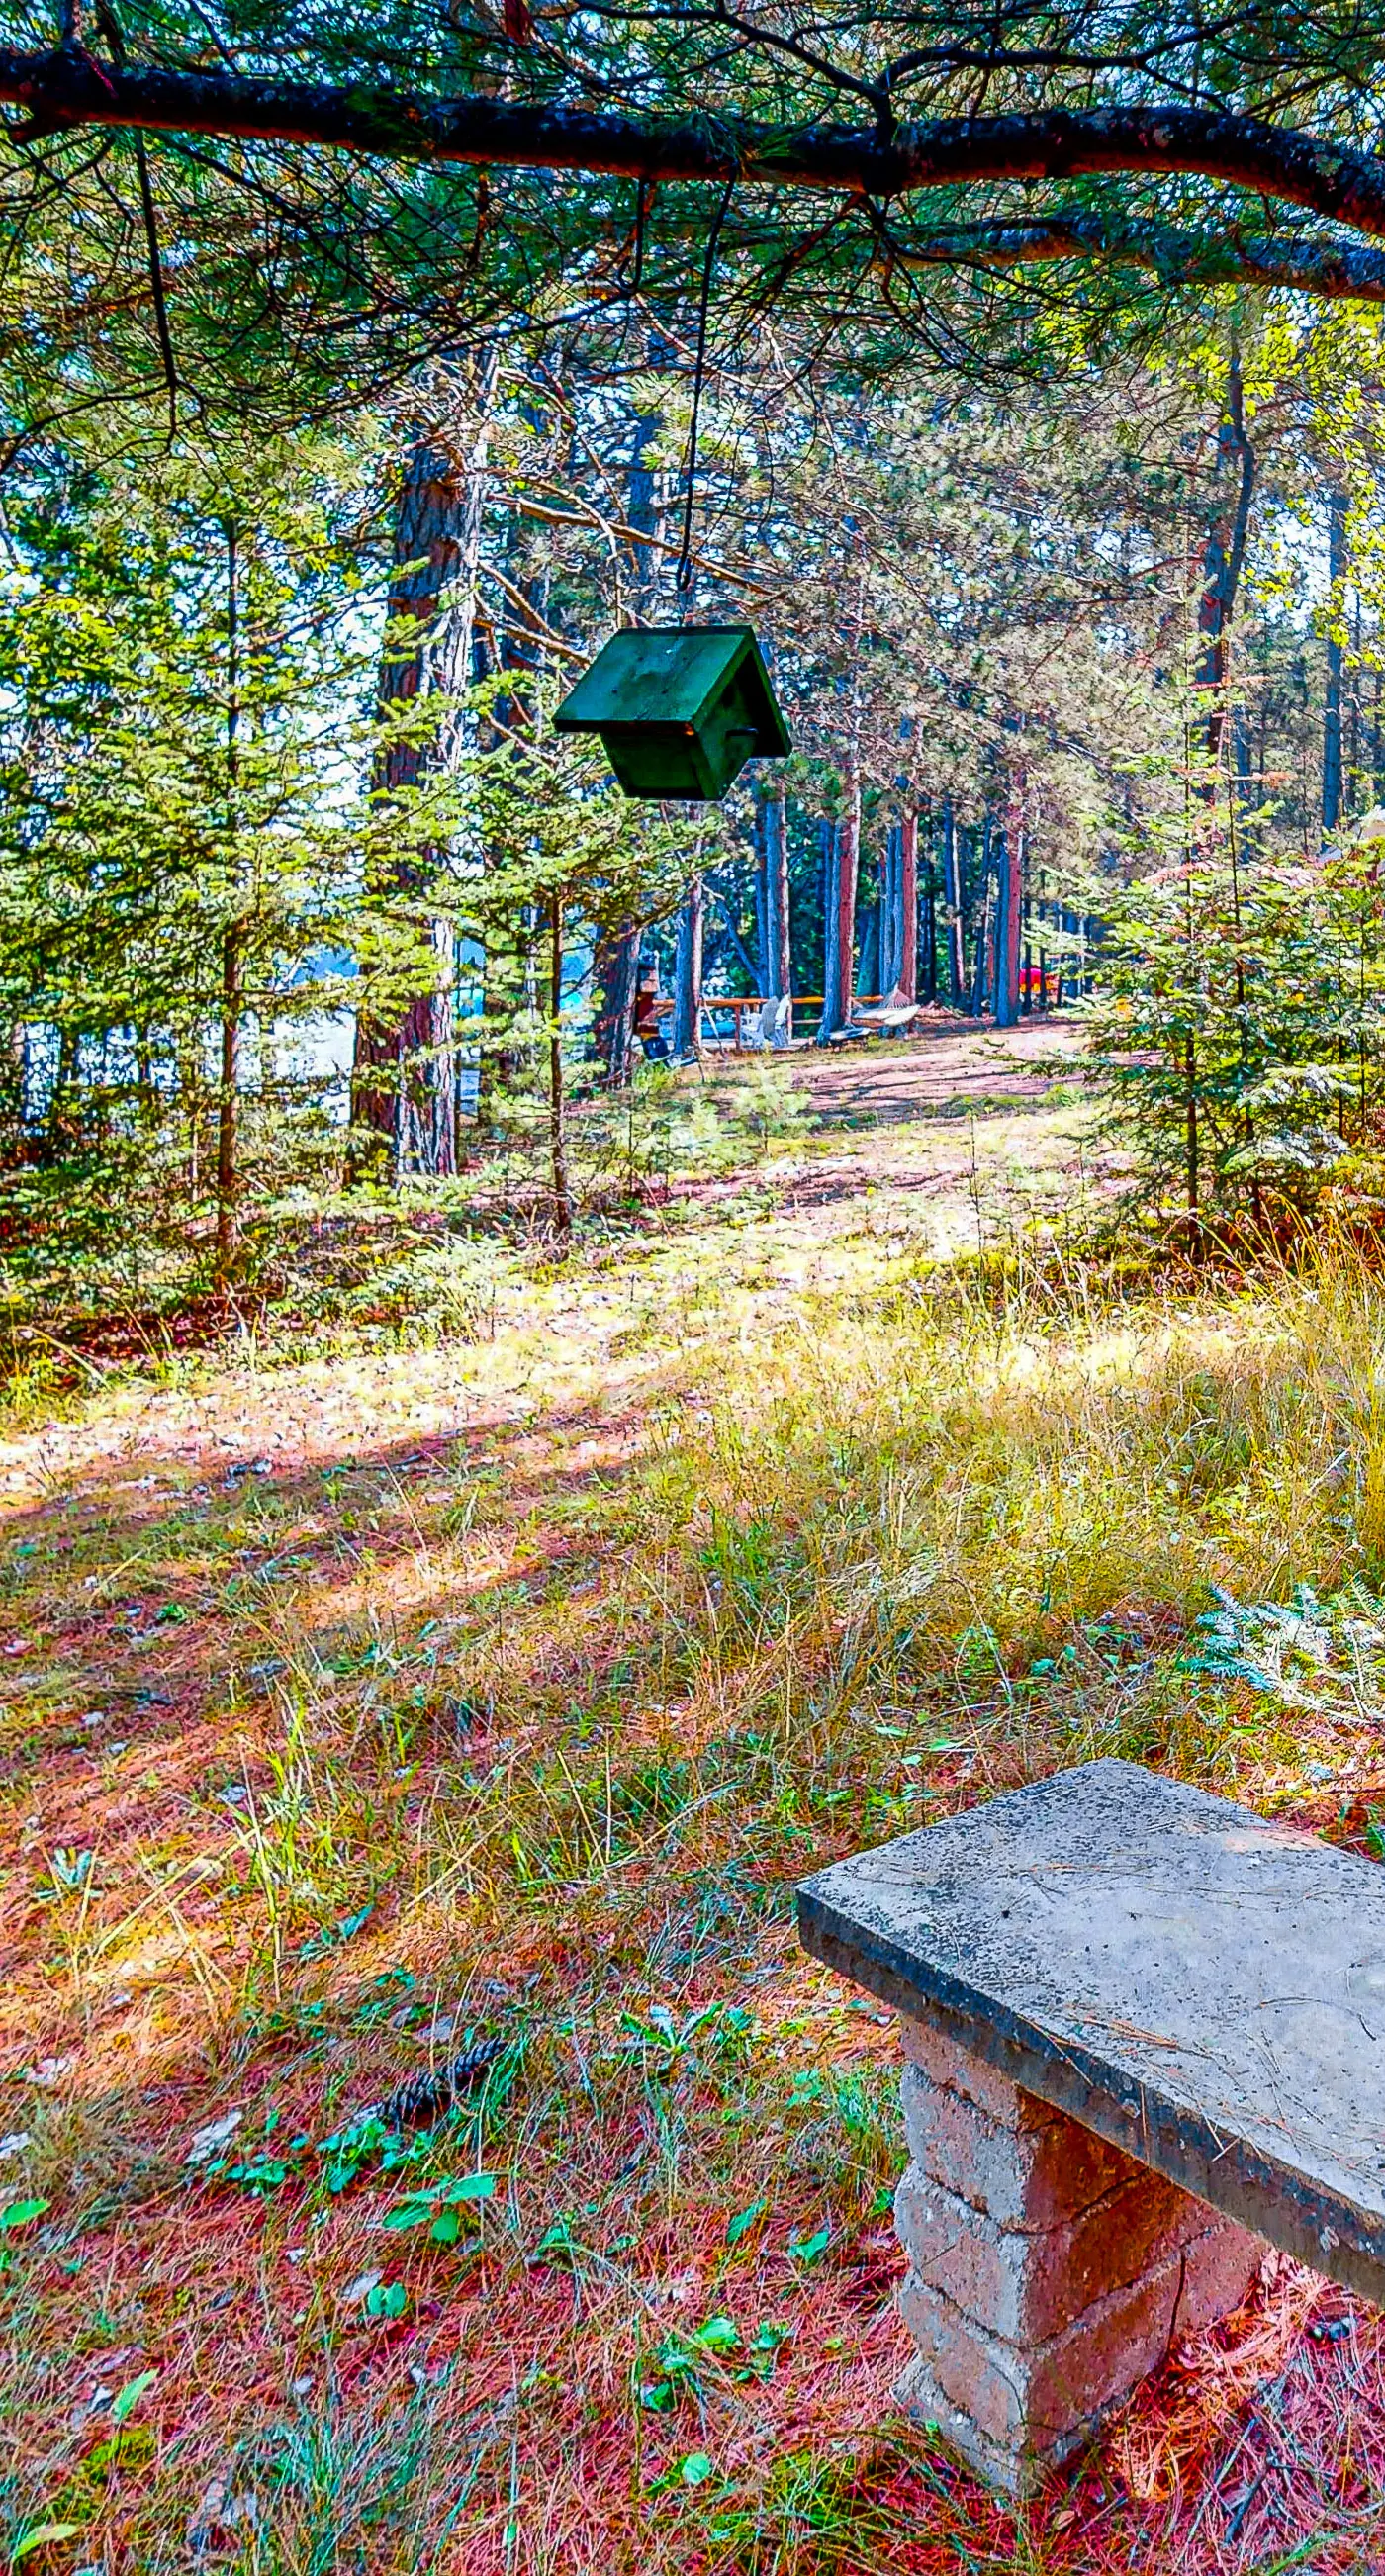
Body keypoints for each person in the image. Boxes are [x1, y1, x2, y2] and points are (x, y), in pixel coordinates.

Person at [633, 968, 669, 1061]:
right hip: (643, 1011)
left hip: (645, 1010)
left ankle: (657, 1054)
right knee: (647, 1031)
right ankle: (654, 1054)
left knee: (648, 1030)